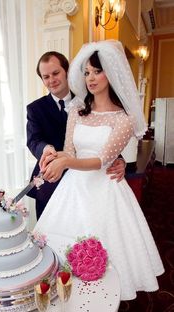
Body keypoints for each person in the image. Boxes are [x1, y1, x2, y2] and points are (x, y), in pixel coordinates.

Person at [34, 40, 164, 301]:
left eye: (97, 71)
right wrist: (55, 157)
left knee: (106, 250)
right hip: (73, 188)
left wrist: (67, 162)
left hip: (105, 187)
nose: (90, 78)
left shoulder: (123, 118)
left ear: (111, 73)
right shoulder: (76, 111)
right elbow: (70, 150)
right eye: (86, 73)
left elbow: (103, 160)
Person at [26, 51, 126, 220]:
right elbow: (33, 140)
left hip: (89, 182)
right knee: (47, 236)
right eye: (46, 76)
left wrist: (119, 159)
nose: (51, 80)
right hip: (50, 179)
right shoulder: (35, 108)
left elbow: (105, 134)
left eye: (56, 73)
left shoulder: (90, 101)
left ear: (67, 71)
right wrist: (46, 149)